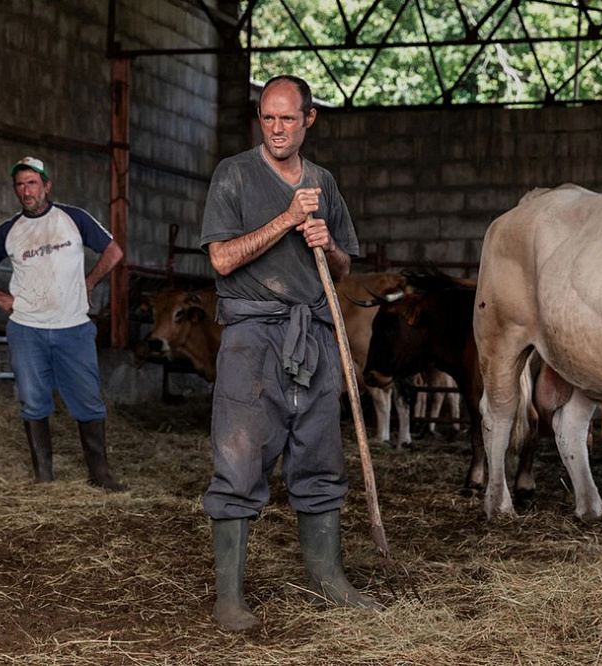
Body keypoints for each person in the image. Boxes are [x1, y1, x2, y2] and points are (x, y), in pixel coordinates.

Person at [200, 75, 381, 632]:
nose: (276, 129)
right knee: (239, 458)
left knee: (320, 454)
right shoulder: (233, 174)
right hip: (252, 338)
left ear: (309, 120)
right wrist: (286, 219)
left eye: (287, 118)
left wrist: (328, 244)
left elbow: (346, 266)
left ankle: (327, 576)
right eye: (268, 117)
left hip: (314, 334)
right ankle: (229, 597)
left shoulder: (323, 181)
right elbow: (222, 261)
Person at [0, 156, 126, 491]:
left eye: (32, 183)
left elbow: (113, 252)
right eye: (20, 185)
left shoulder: (73, 219)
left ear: (47, 186)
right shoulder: (9, 231)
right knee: (32, 398)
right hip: (27, 328)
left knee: (87, 399)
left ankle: (100, 475)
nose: (27, 191)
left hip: (73, 326)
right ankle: (44, 477)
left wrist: (89, 281)